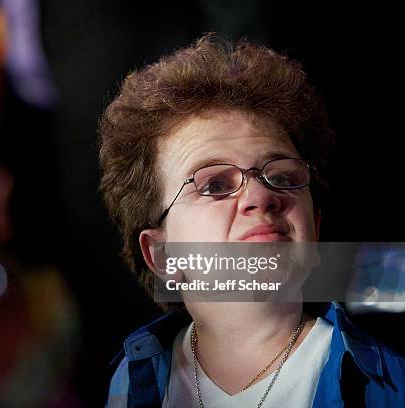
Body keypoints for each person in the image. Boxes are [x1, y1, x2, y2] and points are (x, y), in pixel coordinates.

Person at [99, 34, 405, 407]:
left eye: (283, 178)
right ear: (162, 255)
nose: (262, 197)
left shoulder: (391, 386)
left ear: (316, 231)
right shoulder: (129, 383)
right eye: (213, 185)